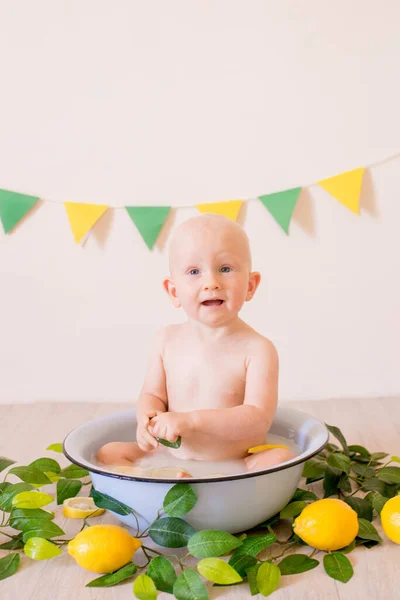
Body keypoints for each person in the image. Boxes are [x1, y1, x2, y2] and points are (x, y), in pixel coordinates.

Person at [96, 213, 295, 475]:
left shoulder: (258, 349)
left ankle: (223, 483)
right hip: (170, 452)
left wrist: (192, 421)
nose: (211, 283)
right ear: (174, 291)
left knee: (281, 457)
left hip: (237, 459)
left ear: (250, 285)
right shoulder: (166, 340)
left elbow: (258, 419)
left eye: (225, 268)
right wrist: (147, 418)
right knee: (107, 453)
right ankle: (154, 478)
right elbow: (153, 395)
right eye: (194, 271)